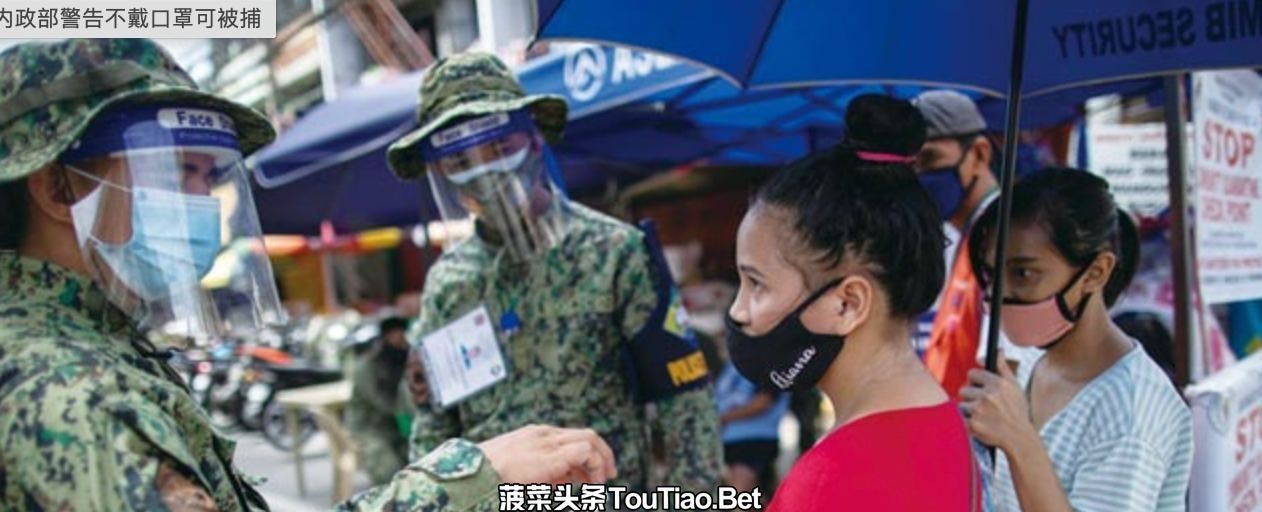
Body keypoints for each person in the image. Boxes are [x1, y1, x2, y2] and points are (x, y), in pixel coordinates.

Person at [0, 38, 615, 511]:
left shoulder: (99, 348)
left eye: (207, 177)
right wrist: (472, 478)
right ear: (57, 185)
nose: (199, 200)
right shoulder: (70, 395)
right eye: (176, 171)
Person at [385, 52, 721, 493]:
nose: (484, 173)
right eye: (460, 162)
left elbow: (684, 404)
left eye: (499, 149)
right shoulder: (449, 284)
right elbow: (434, 425)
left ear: (535, 141)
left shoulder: (614, 251)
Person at [726, 94, 979, 511]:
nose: (738, 310)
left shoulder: (830, 480)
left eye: (756, 284)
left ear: (848, 303)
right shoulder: (939, 415)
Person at [961, 167, 1193, 511]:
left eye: (1024, 273)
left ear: (1096, 272)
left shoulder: (1130, 412)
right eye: (993, 275)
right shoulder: (1030, 360)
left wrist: (1019, 439)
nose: (1001, 294)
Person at [911, 90, 1008, 400]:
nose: (919, 177)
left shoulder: (1007, 237)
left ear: (979, 155)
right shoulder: (967, 236)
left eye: (929, 159)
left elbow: (1010, 370)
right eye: (910, 167)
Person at [346, 317, 413, 485]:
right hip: (370, 427)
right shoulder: (367, 367)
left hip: (397, 427)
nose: (401, 342)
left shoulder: (405, 361)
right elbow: (382, 403)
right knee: (388, 471)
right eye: (396, 337)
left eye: (403, 337)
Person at [716, 360, 789, 494]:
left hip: (754, 439)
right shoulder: (733, 363)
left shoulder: (767, 361)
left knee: (738, 496)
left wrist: (722, 418)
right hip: (729, 440)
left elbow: (763, 402)